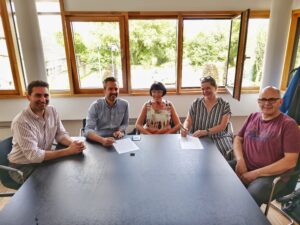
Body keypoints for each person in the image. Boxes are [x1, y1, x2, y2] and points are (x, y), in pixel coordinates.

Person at [230, 86, 300, 206]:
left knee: (251, 195)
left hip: (271, 176)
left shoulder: (289, 125)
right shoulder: (252, 116)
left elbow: (290, 161)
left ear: (280, 101)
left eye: (272, 99)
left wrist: (255, 173)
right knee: (217, 174)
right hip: (246, 165)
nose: (267, 103)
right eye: (263, 99)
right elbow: (238, 139)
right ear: (258, 101)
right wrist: (240, 160)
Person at [8, 80, 85, 184]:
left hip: (42, 161)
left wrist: (73, 144)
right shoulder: (21, 122)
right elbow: (34, 156)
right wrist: (68, 151)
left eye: (46, 95)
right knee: (52, 185)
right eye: (38, 95)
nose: (43, 99)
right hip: (22, 167)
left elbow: (60, 134)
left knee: (69, 176)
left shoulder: (52, 110)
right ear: (28, 97)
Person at [181, 76, 233, 158]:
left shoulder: (224, 104)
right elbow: (188, 120)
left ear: (215, 88)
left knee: (220, 153)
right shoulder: (196, 103)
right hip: (198, 137)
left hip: (218, 137)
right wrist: (184, 128)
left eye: (208, 88)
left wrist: (205, 132)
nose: (205, 91)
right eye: (202, 89)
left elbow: (222, 126)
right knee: (190, 154)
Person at [84, 76, 129, 146]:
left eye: (116, 89)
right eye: (110, 89)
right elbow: (88, 130)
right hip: (99, 139)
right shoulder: (95, 106)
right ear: (104, 90)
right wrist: (102, 140)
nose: (114, 92)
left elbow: (125, 124)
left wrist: (119, 131)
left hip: (117, 139)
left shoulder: (125, 104)